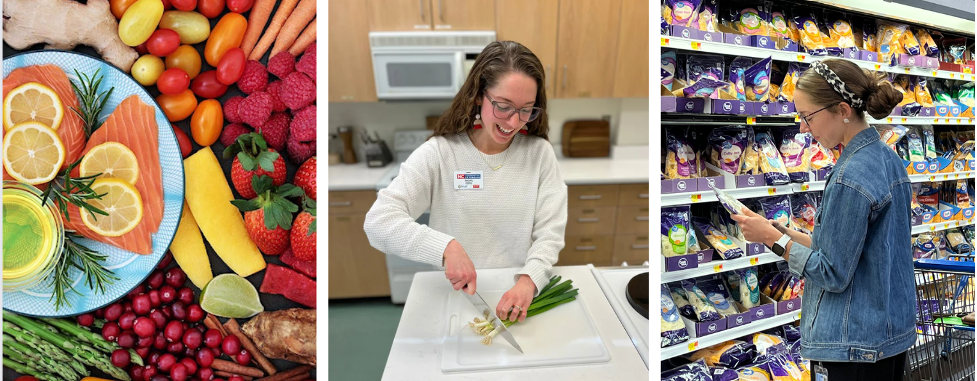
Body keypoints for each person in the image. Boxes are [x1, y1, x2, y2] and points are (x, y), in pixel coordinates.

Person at [732, 59, 916, 380]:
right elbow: (850, 250)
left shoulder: (850, 175)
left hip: (852, 346)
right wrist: (783, 233)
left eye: (808, 117)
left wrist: (771, 240)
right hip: (885, 336)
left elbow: (832, 273)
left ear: (842, 110)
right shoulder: (886, 158)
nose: (803, 128)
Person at [363, 41, 568, 324]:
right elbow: (378, 223)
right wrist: (446, 248)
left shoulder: (539, 154)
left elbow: (549, 233)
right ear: (478, 97)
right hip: (455, 295)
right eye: (504, 106)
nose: (514, 121)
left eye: (526, 110)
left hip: (518, 295)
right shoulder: (441, 152)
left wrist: (529, 281)